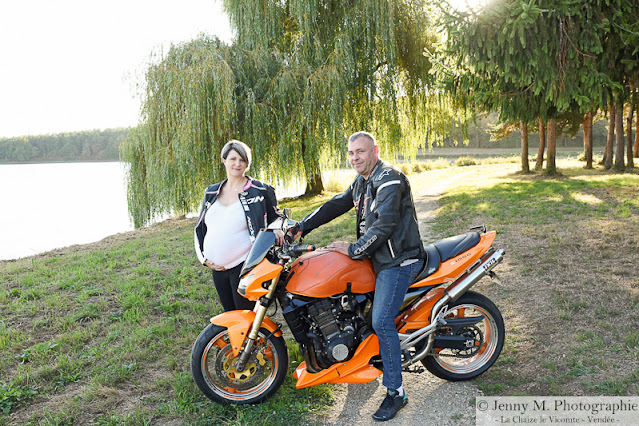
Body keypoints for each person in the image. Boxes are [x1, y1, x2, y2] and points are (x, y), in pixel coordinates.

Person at [293, 131, 425, 421]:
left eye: (360, 152)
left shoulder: (388, 178)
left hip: (398, 260)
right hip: (377, 258)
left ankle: (396, 392)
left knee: (380, 321)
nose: (355, 157)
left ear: (374, 151)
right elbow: (335, 205)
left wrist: (353, 249)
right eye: (351, 153)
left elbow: (385, 225)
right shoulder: (362, 181)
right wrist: (302, 227)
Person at [194, 140, 284, 312]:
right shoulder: (211, 192)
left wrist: (276, 227)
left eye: (242, 160)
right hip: (217, 269)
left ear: (247, 163)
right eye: (233, 159)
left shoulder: (261, 190)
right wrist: (204, 259)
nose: (237, 164)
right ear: (224, 160)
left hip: (244, 266)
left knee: (246, 318)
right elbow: (200, 228)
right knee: (230, 317)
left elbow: (277, 217)